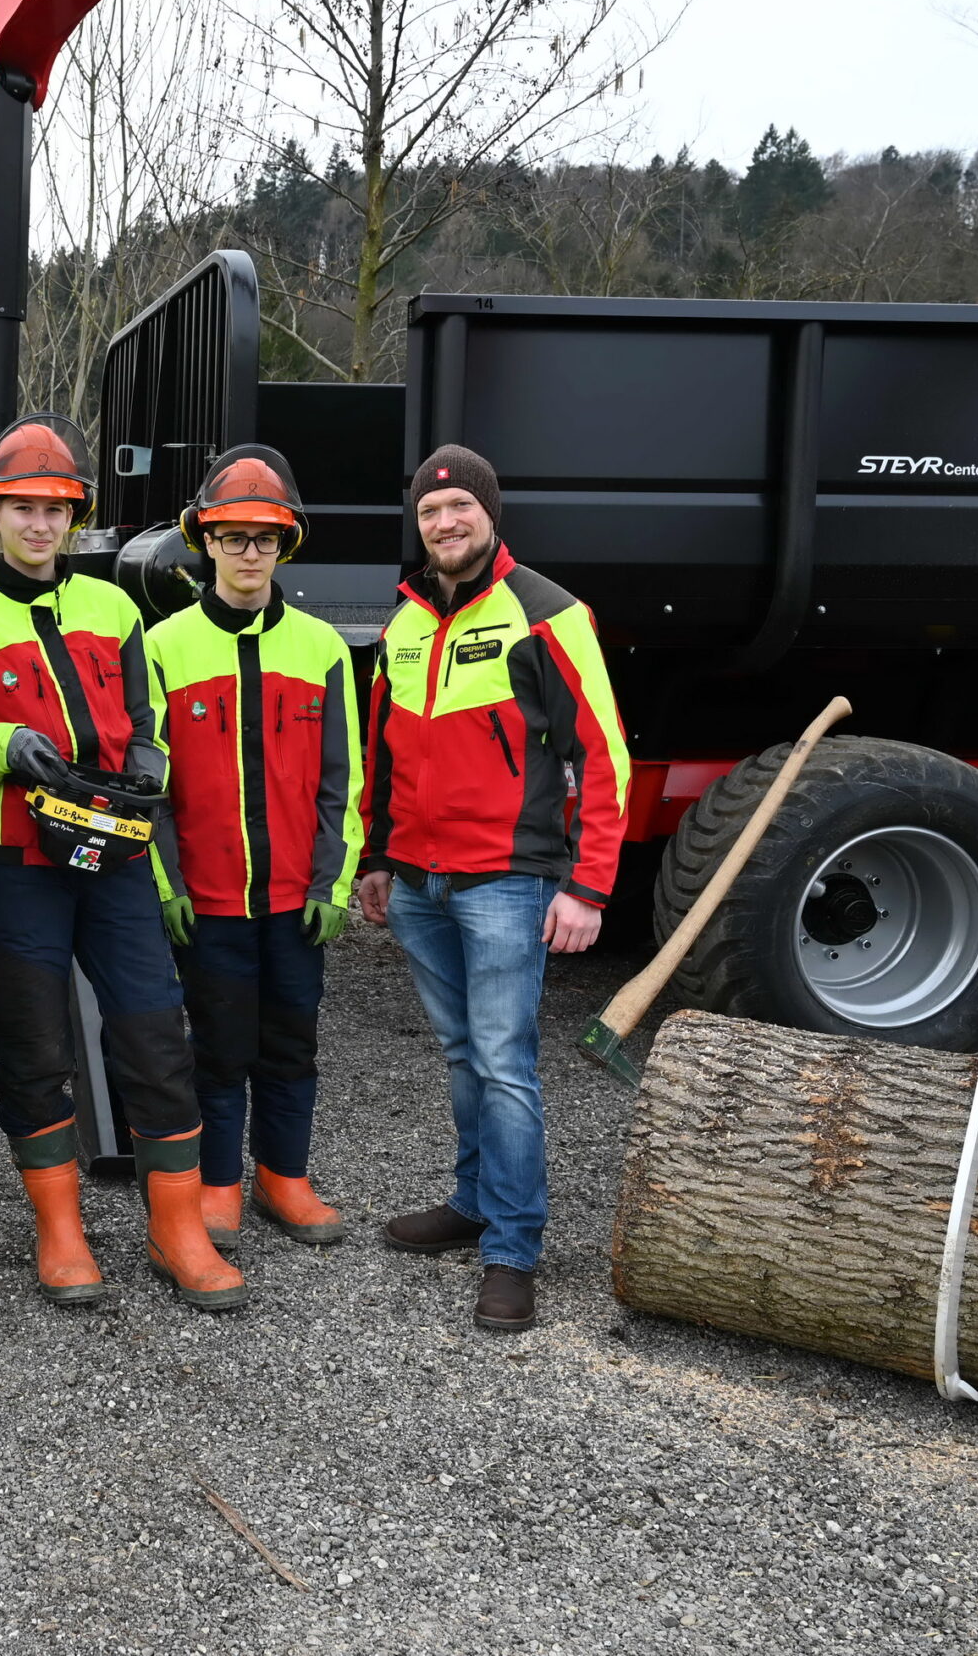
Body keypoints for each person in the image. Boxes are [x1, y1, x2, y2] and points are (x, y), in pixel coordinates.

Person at [0, 414, 249, 1312]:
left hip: (113, 852)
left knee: (154, 1031)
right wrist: (1, 745)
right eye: (22, 508)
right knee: (37, 1048)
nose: (39, 525)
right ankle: (60, 1227)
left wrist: (151, 762)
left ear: (77, 517)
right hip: (18, 859)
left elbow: (149, 722)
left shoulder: (114, 606)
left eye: (56, 510)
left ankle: (176, 1225)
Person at [357, 444, 629, 1333]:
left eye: (460, 509)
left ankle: (512, 1249)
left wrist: (587, 885)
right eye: (430, 512)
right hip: (420, 882)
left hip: (507, 879)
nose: (444, 523)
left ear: (489, 514)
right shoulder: (401, 622)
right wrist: (375, 858)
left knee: (505, 1064)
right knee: (462, 1053)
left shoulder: (547, 612)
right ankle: (473, 1201)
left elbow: (605, 753)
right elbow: (383, 754)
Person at [145, 447, 362, 1256]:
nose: (247, 553)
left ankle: (285, 1177)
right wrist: (165, 880)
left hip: (294, 900)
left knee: (290, 1043)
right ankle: (217, 1187)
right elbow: (150, 785)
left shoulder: (323, 648)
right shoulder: (164, 646)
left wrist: (333, 880)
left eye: (264, 539)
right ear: (205, 540)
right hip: (208, 901)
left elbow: (346, 777)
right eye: (232, 536)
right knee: (218, 1049)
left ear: (286, 545)